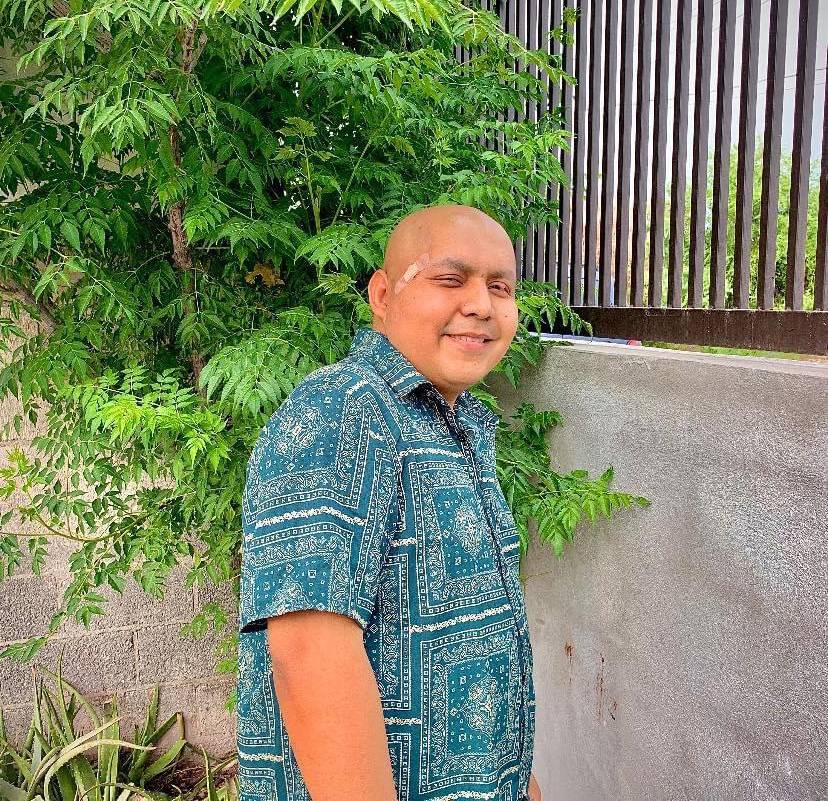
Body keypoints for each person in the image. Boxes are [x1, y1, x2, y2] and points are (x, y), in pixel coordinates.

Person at [237, 204, 541, 801]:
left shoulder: (459, 424)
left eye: (500, 288)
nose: (481, 305)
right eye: (450, 279)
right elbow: (311, 653)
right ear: (382, 295)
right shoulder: (343, 412)